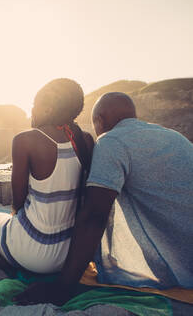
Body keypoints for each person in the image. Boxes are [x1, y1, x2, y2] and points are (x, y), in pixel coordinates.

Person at [14, 92, 193, 306]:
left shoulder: (111, 141)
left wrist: (62, 287)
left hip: (183, 269)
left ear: (99, 121)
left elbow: (94, 216)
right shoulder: (174, 137)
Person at [0, 78, 94, 280]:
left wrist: (15, 217)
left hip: (33, 252)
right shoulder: (86, 141)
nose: (31, 112)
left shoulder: (25, 140)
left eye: (34, 106)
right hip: (71, 255)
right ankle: (6, 256)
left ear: (47, 109)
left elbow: (18, 203)